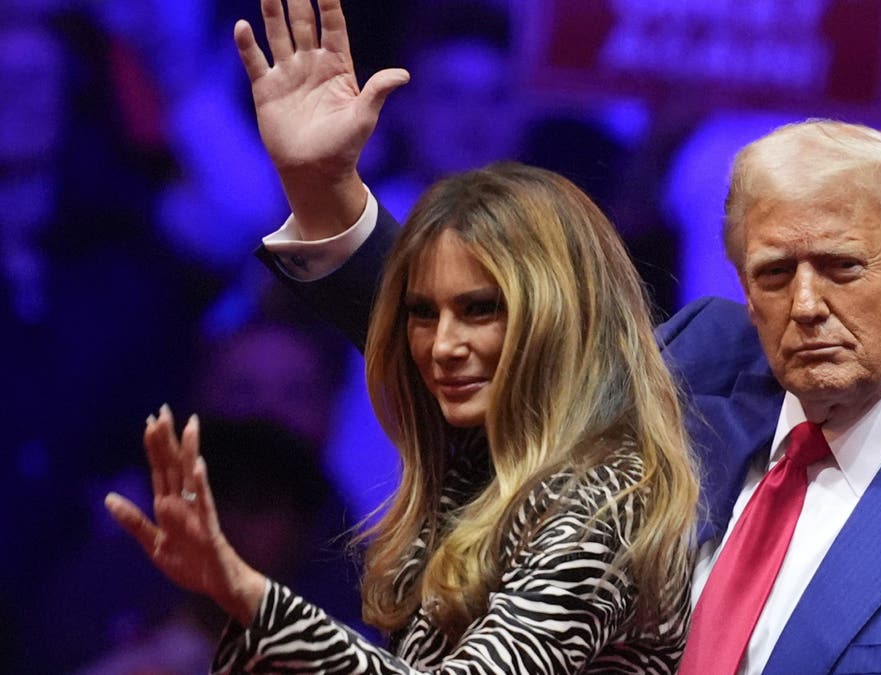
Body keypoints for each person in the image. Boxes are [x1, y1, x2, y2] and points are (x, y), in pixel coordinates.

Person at [226, 0, 881, 672]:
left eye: (843, 268)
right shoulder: (705, 365)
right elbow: (494, 338)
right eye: (774, 273)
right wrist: (325, 191)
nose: (806, 303)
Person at [105, 5, 699, 672]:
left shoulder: (597, 498)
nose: (442, 345)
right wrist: (316, 182)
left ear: (554, 323)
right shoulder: (481, 450)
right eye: (425, 314)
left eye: (480, 311)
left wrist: (242, 593)